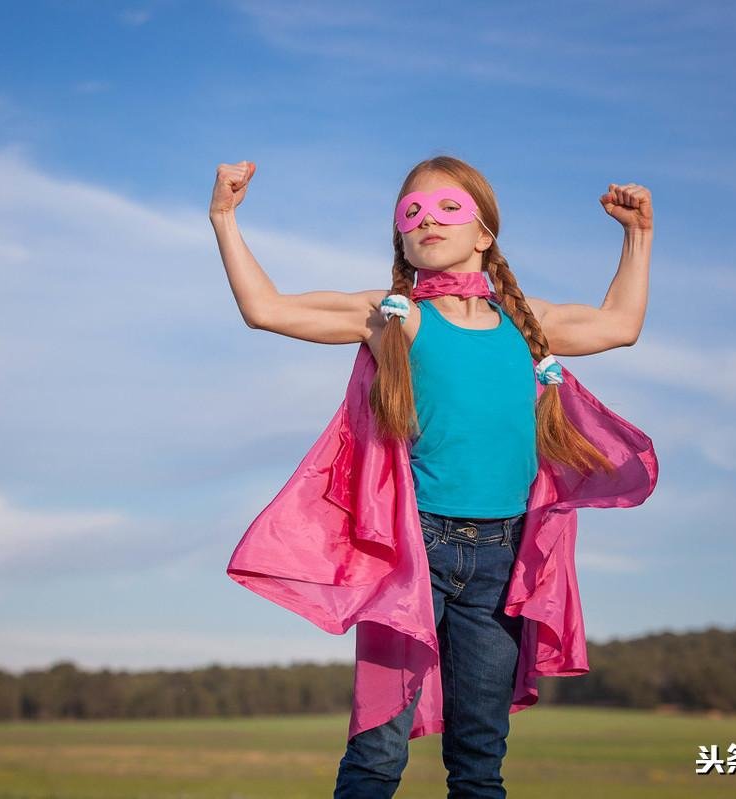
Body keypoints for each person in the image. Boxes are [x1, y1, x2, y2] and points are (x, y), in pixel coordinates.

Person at [209, 155, 654, 798]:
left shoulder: (525, 324)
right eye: (411, 213)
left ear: (484, 234)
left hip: (503, 560)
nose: (427, 221)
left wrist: (637, 235)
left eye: (448, 208)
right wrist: (224, 217)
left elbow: (620, 325)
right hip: (413, 554)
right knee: (378, 751)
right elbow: (267, 309)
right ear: (401, 236)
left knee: (479, 761)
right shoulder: (394, 315)